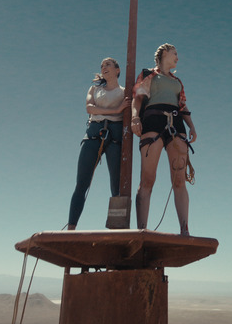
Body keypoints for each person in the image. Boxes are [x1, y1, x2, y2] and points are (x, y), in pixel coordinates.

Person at [130, 43, 197, 235]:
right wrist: (135, 117)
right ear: (165, 53)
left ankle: (185, 229)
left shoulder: (178, 81)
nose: (177, 57)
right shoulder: (148, 74)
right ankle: (141, 230)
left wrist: (192, 126)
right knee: (147, 179)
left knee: (179, 180)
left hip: (177, 122)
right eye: (175, 53)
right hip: (153, 119)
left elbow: (182, 105)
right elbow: (138, 98)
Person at [67, 58, 129, 230]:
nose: (104, 67)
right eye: (102, 66)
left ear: (117, 70)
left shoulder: (125, 92)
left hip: (115, 138)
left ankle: (118, 228)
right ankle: (71, 228)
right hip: (94, 134)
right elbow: (90, 108)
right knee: (81, 183)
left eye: (108, 64)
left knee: (117, 186)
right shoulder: (94, 89)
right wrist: (116, 111)